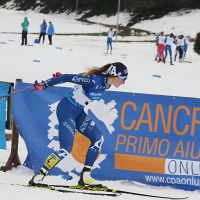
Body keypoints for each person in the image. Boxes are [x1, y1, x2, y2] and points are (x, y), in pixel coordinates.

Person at [29, 62, 128, 186]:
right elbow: (67, 78)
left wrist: (64, 77)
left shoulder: (106, 83)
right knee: (65, 149)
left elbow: (79, 79)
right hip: (67, 110)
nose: (124, 82)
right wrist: (45, 84)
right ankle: (39, 175)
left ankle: (85, 177)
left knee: (98, 139)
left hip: (79, 111)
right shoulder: (94, 81)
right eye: (123, 79)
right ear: (114, 75)